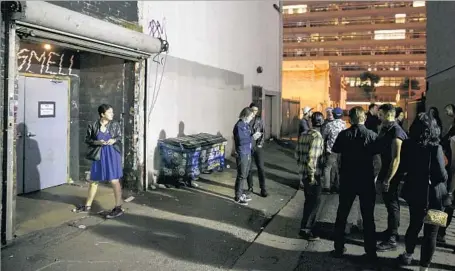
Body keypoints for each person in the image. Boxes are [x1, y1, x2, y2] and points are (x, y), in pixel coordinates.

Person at [397, 113, 449, 271]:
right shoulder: (436, 148)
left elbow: (403, 168)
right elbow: (441, 175)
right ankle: (423, 267)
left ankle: (408, 254)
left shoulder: (407, 144)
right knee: (431, 233)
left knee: (414, 225)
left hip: (415, 192)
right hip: (436, 196)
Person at [330, 106, 378, 263]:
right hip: (366, 180)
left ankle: (338, 248)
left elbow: (335, 158)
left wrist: (338, 175)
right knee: (368, 217)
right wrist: (374, 177)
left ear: (349, 119)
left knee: (342, 214)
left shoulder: (344, 135)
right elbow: (378, 161)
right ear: (364, 118)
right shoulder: (372, 135)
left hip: (347, 179)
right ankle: (371, 252)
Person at [74, 104, 124, 219]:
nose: (112, 114)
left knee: (114, 180)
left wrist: (113, 140)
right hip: (99, 154)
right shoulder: (93, 125)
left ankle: (118, 207)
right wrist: (98, 142)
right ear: (102, 114)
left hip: (112, 154)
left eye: (112, 112)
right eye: (109, 112)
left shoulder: (115, 125)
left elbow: (119, 137)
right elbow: (88, 139)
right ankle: (87, 206)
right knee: (94, 180)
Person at [376, 103, 408, 252]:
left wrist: (388, 179)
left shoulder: (396, 132)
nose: (378, 116)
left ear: (388, 114)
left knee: (393, 204)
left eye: (380, 114)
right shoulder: (386, 129)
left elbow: (396, 159)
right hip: (386, 170)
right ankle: (390, 230)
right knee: (390, 204)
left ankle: (393, 238)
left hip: (394, 174)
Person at [295, 112, 325, 241]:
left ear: (311, 122)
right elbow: (313, 158)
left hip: (303, 173)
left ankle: (304, 227)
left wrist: (302, 171)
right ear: (322, 123)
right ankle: (307, 230)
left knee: (308, 201)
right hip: (313, 174)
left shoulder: (304, 134)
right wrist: (312, 176)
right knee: (314, 203)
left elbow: (296, 154)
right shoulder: (317, 136)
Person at [437, 104, 455, 244]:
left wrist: (450, 188)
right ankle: (438, 233)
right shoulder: (451, 127)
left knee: (446, 205)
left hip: (450, 175)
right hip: (449, 172)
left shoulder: (453, 137)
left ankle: (437, 233)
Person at [233, 107, 255, 205]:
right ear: (245, 115)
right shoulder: (239, 126)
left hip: (247, 152)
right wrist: (252, 138)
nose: (252, 118)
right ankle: (237, 197)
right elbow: (241, 140)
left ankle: (241, 193)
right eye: (251, 116)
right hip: (242, 152)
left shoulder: (246, 125)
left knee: (245, 174)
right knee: (241, 175)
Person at [322, 107, 346, 193]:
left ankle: (326, 187)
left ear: (334, 115)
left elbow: (323, 137)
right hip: (341, 150)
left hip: (331, 150)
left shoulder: (329, 125)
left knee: (327, 168)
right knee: (338, 169)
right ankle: (338, 186)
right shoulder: (344, 124)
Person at [247, 103, 268, 197]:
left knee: (261, 168)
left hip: (257, 147)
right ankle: (250, 187)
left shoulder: (259, 120)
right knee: (249, 168)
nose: (254, 112)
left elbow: (263, 132)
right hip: (248, 147)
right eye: (253, 110)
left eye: (256, 110)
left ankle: (263, 189)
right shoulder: (246, 120)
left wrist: (260, 144)